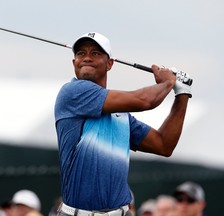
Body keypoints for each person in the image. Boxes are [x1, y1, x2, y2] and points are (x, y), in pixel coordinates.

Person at [54, 32, 192, 216]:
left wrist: (182, 94)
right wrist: (168, 81)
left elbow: (164, 145)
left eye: (95, 53)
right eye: (80, 53)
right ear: (74, 63)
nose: (86, 58)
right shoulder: (72, 92)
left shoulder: (121, 116)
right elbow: (145, 101)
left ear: (110, 63)